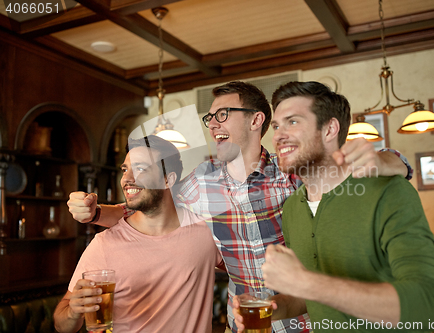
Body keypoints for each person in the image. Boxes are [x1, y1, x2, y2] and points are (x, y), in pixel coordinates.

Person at [67, 81, 412, 333]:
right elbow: (146, 204)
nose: (213, 123)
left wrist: (392, 162)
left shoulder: (288, 171)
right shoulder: (202, 181)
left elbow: (374, 164)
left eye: (222, 114)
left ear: (255, 120)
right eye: (210, 117)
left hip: (303, 319)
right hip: (245, 321)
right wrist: (96, 212)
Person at [232, 81, 434, 332]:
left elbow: (429, 307)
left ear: (330, 129)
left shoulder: (389, 192)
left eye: (293, 122)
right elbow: (311, 297)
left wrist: (306, 282)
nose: (278, 135)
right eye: (277, 125)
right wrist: (272, 307)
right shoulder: (292, 209)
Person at [54, 135, 223, 333]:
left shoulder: (206, 233)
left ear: (168, 180)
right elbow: (61, 324)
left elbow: (248, 272)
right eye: (125, 170)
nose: (127, 179)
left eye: (141, 168)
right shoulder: (104, 244)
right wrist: (73, 312)